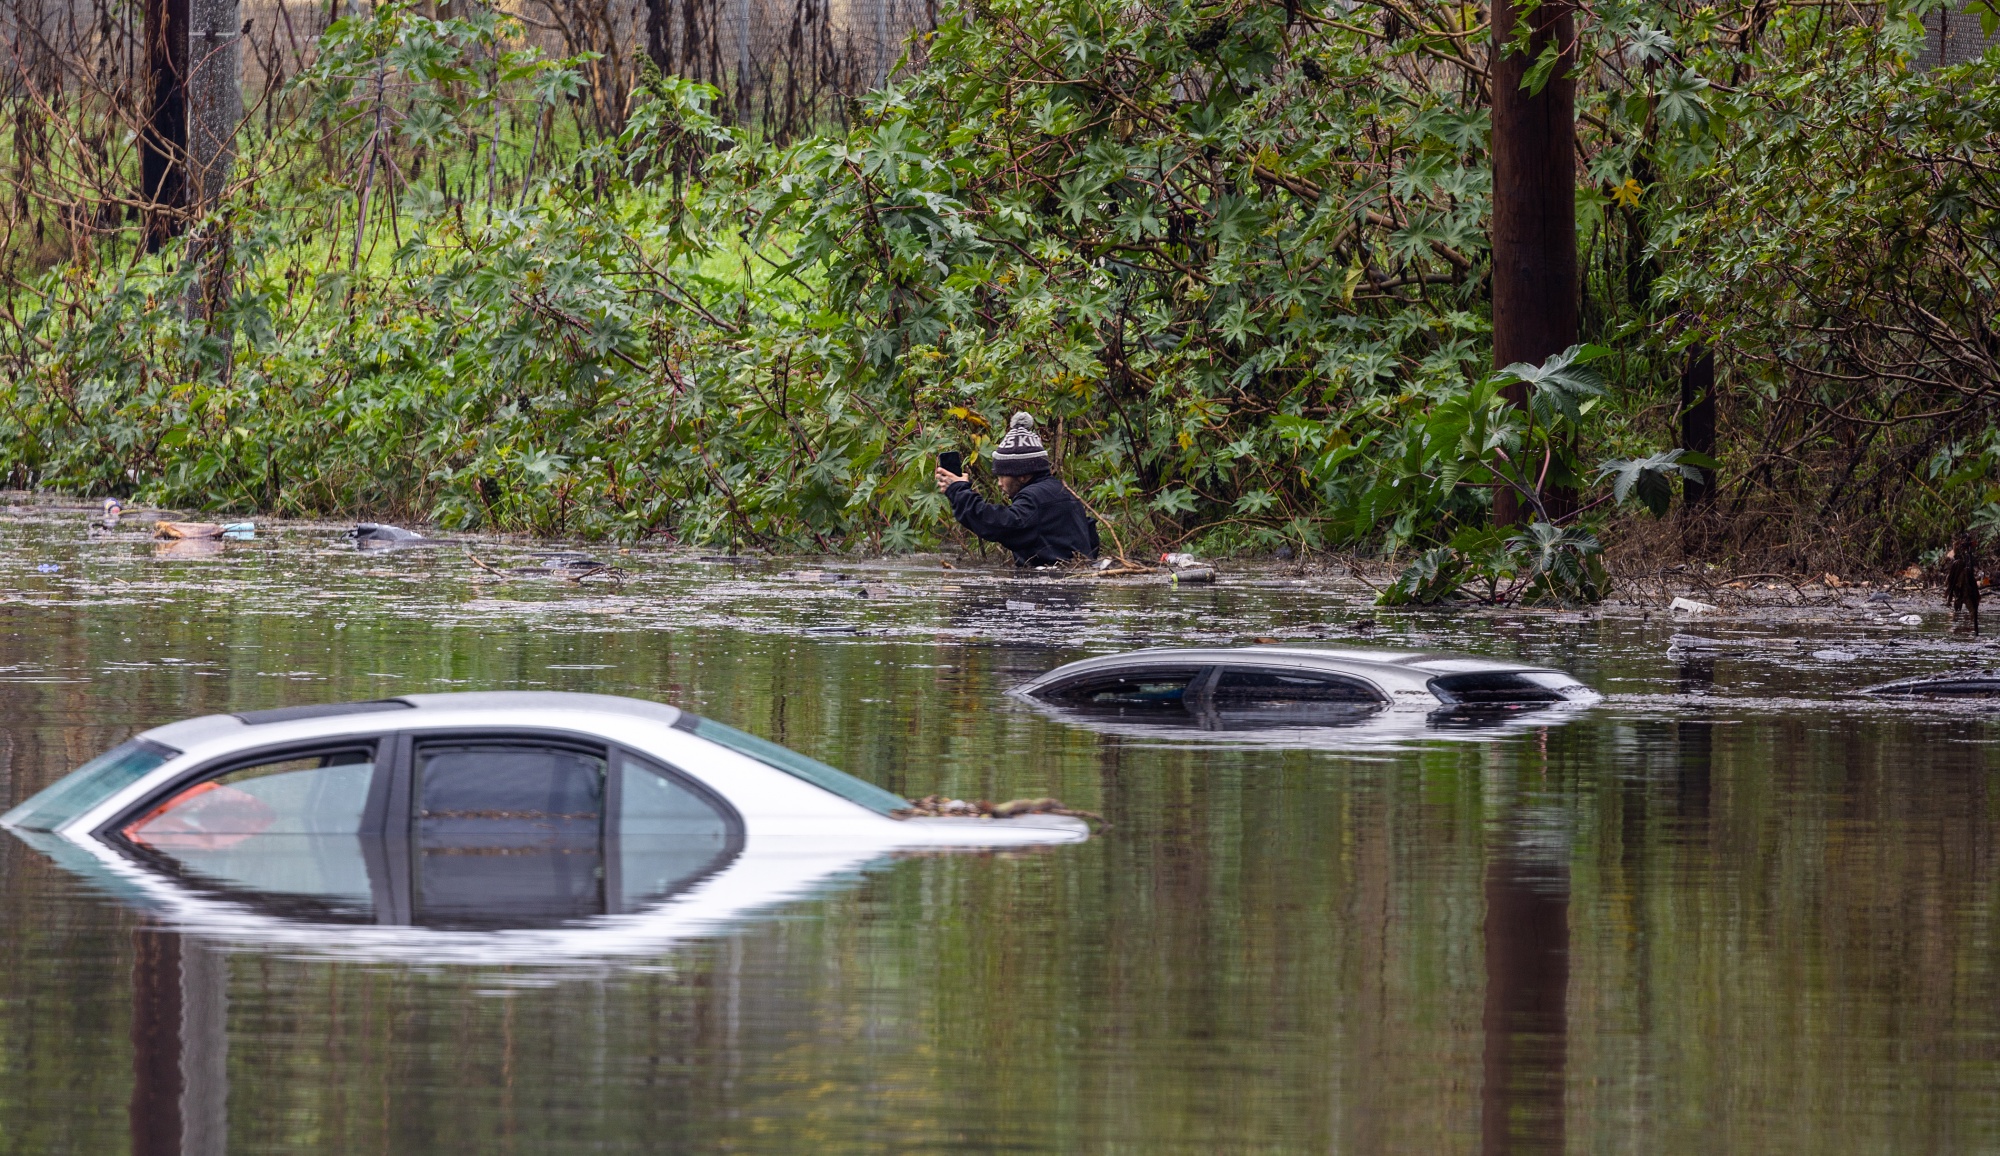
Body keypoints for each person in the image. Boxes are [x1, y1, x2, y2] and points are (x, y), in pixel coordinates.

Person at [934, 412, 1099, 566]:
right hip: (1073, 586)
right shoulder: (1063, 492)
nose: (999, 484)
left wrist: (959, 491)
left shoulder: (1034, 499)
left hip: (1050, 592)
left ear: (1022, 475)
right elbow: (1091, 540)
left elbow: (998, 525)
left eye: (1002, 476)